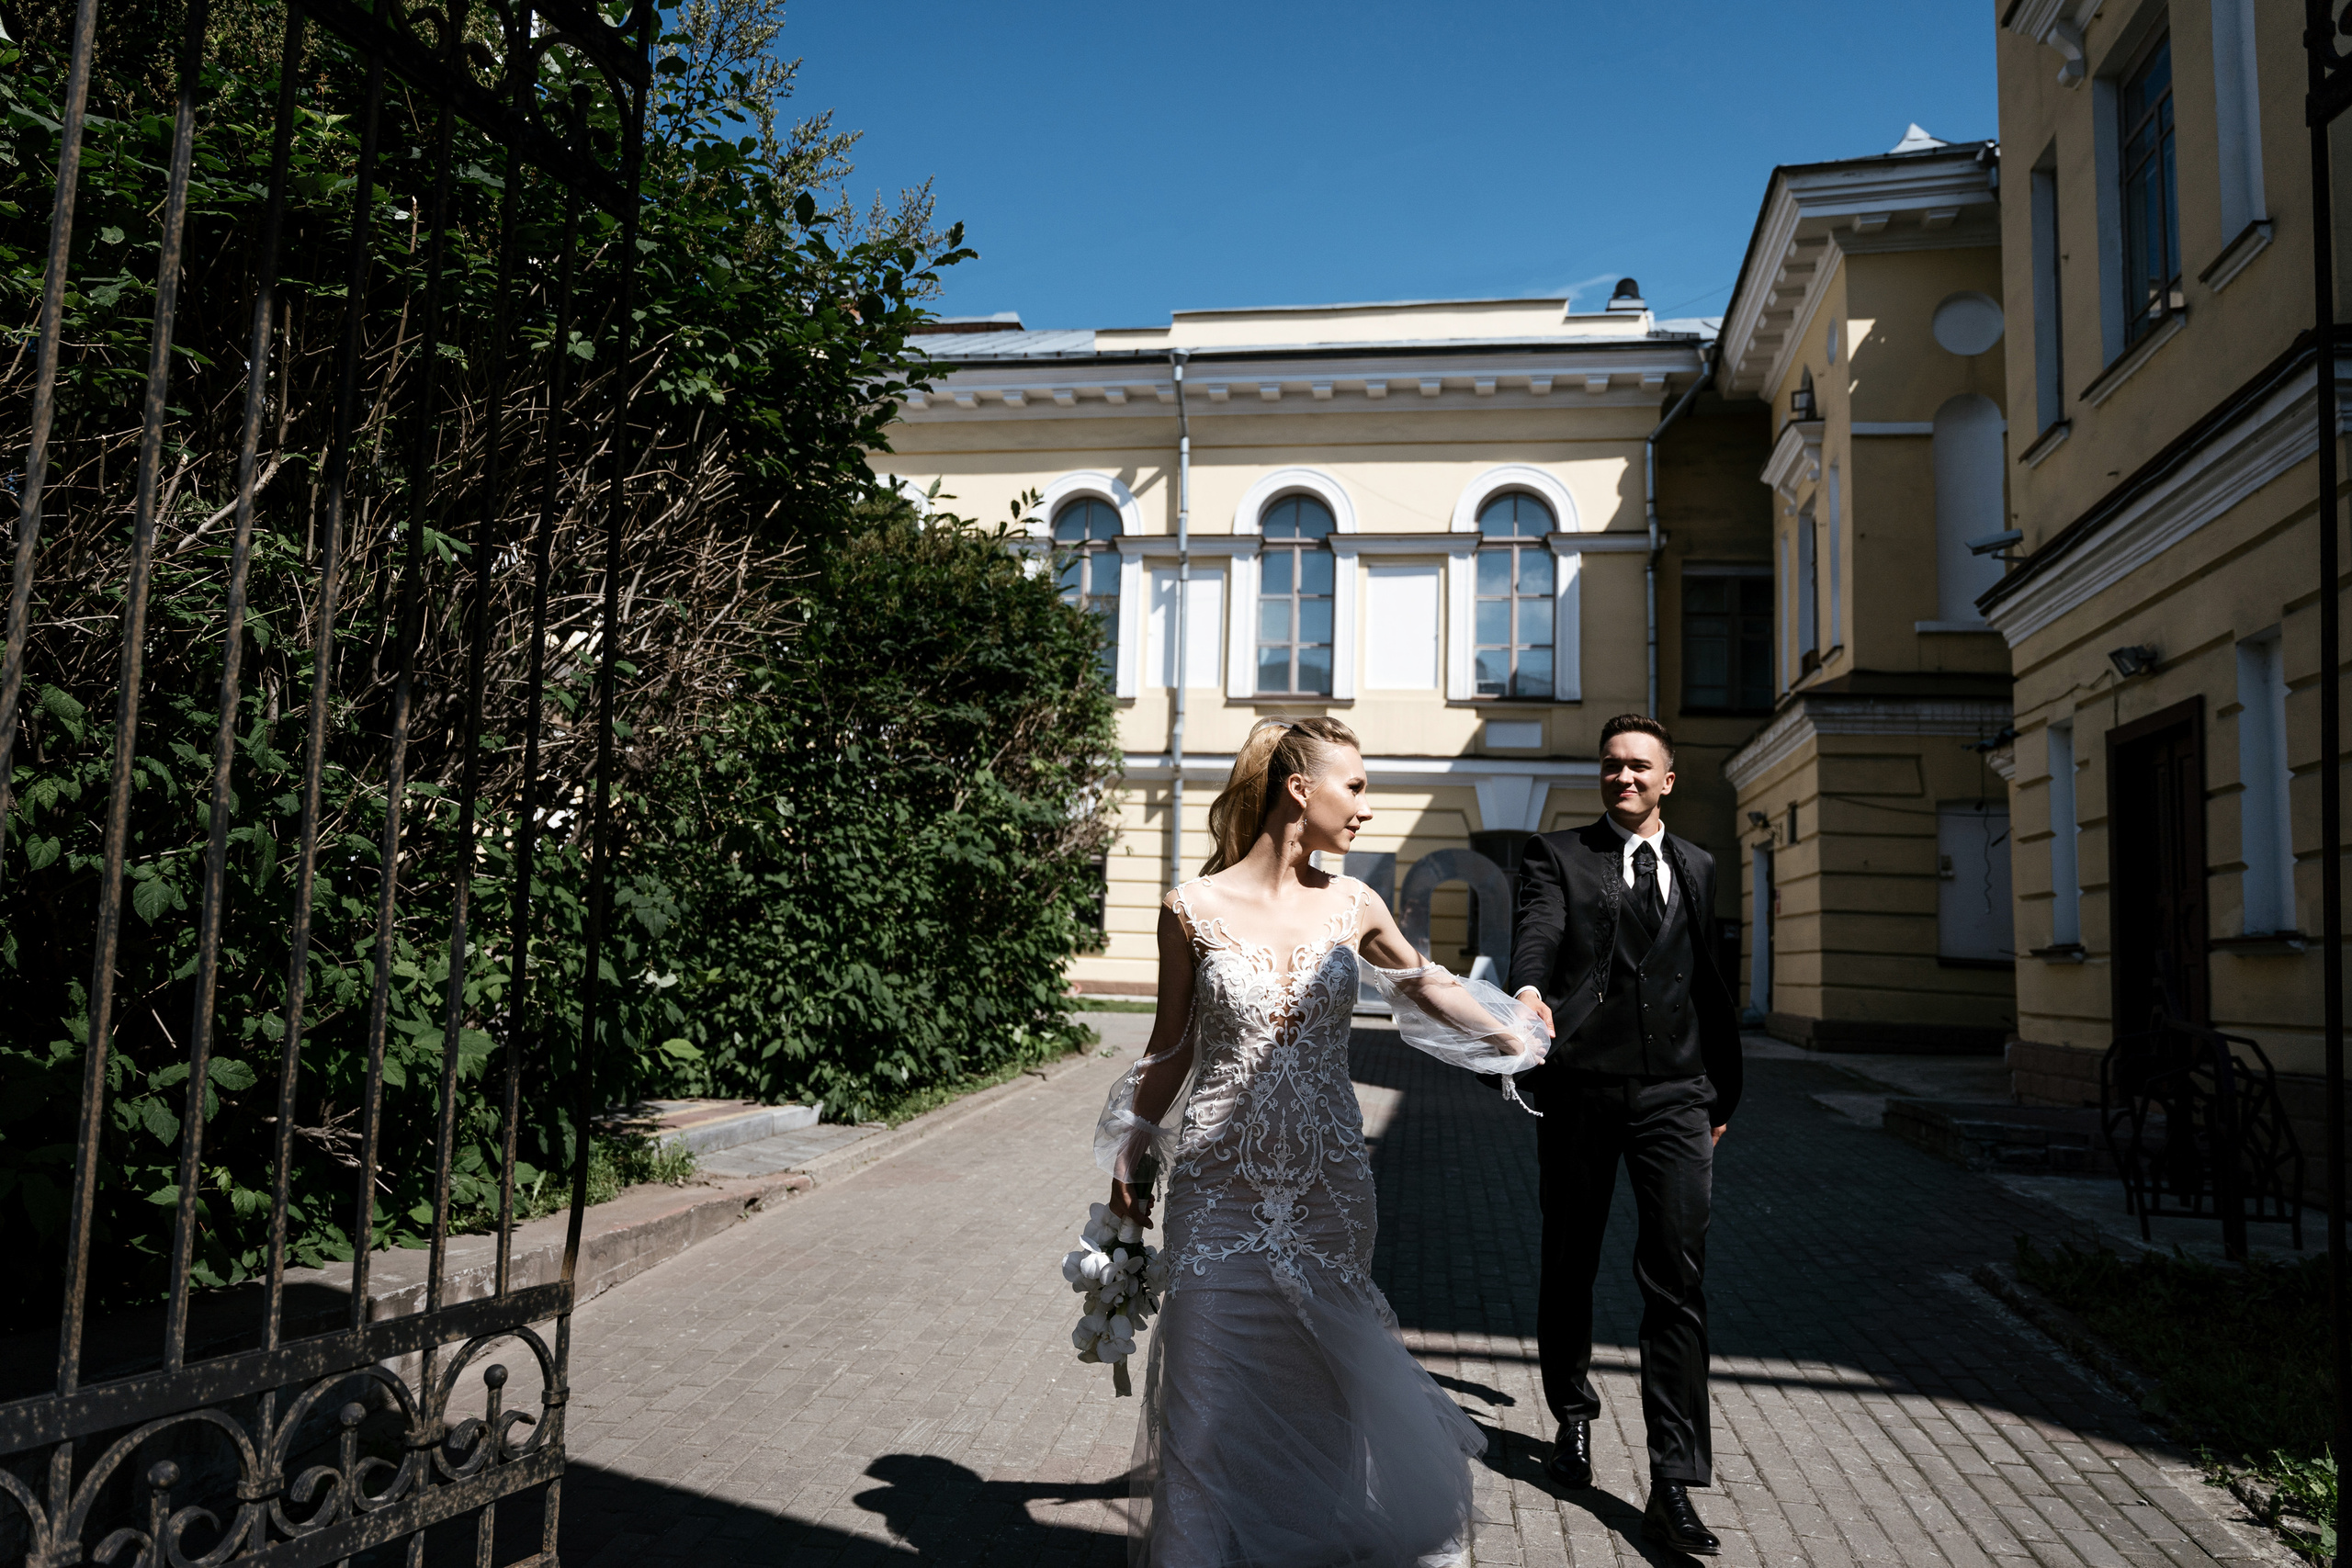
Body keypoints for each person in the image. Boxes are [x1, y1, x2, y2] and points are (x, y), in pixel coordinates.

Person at [1096, 716, 1549, 1568]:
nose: (1367, 806)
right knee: (1204, 1396)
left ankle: (1303, 1540)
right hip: (1216, 1187)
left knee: (1318, 1387)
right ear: (1301, 789)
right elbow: (1171, 1046)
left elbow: (1426, 984)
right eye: (1357, 786)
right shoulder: (1190, 907)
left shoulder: (1355, 902)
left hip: (1329, 1187)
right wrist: (1130, 1154)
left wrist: (1515, 1032)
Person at [1507, 713, 1742, 1558]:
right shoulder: (1557, 854)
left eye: (1640, 766)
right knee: (1571, 1258)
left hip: (1678, 1093)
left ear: (1667, 779)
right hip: (1582, 1087)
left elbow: (1705, 977)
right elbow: (1538, 932)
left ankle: (1672, 1480)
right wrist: (1528, 990)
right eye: (1612, 765)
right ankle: (1572, 1412)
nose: (1624, 777)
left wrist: (1721, 1088)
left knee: (1677, 1277)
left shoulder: (1699, 865)